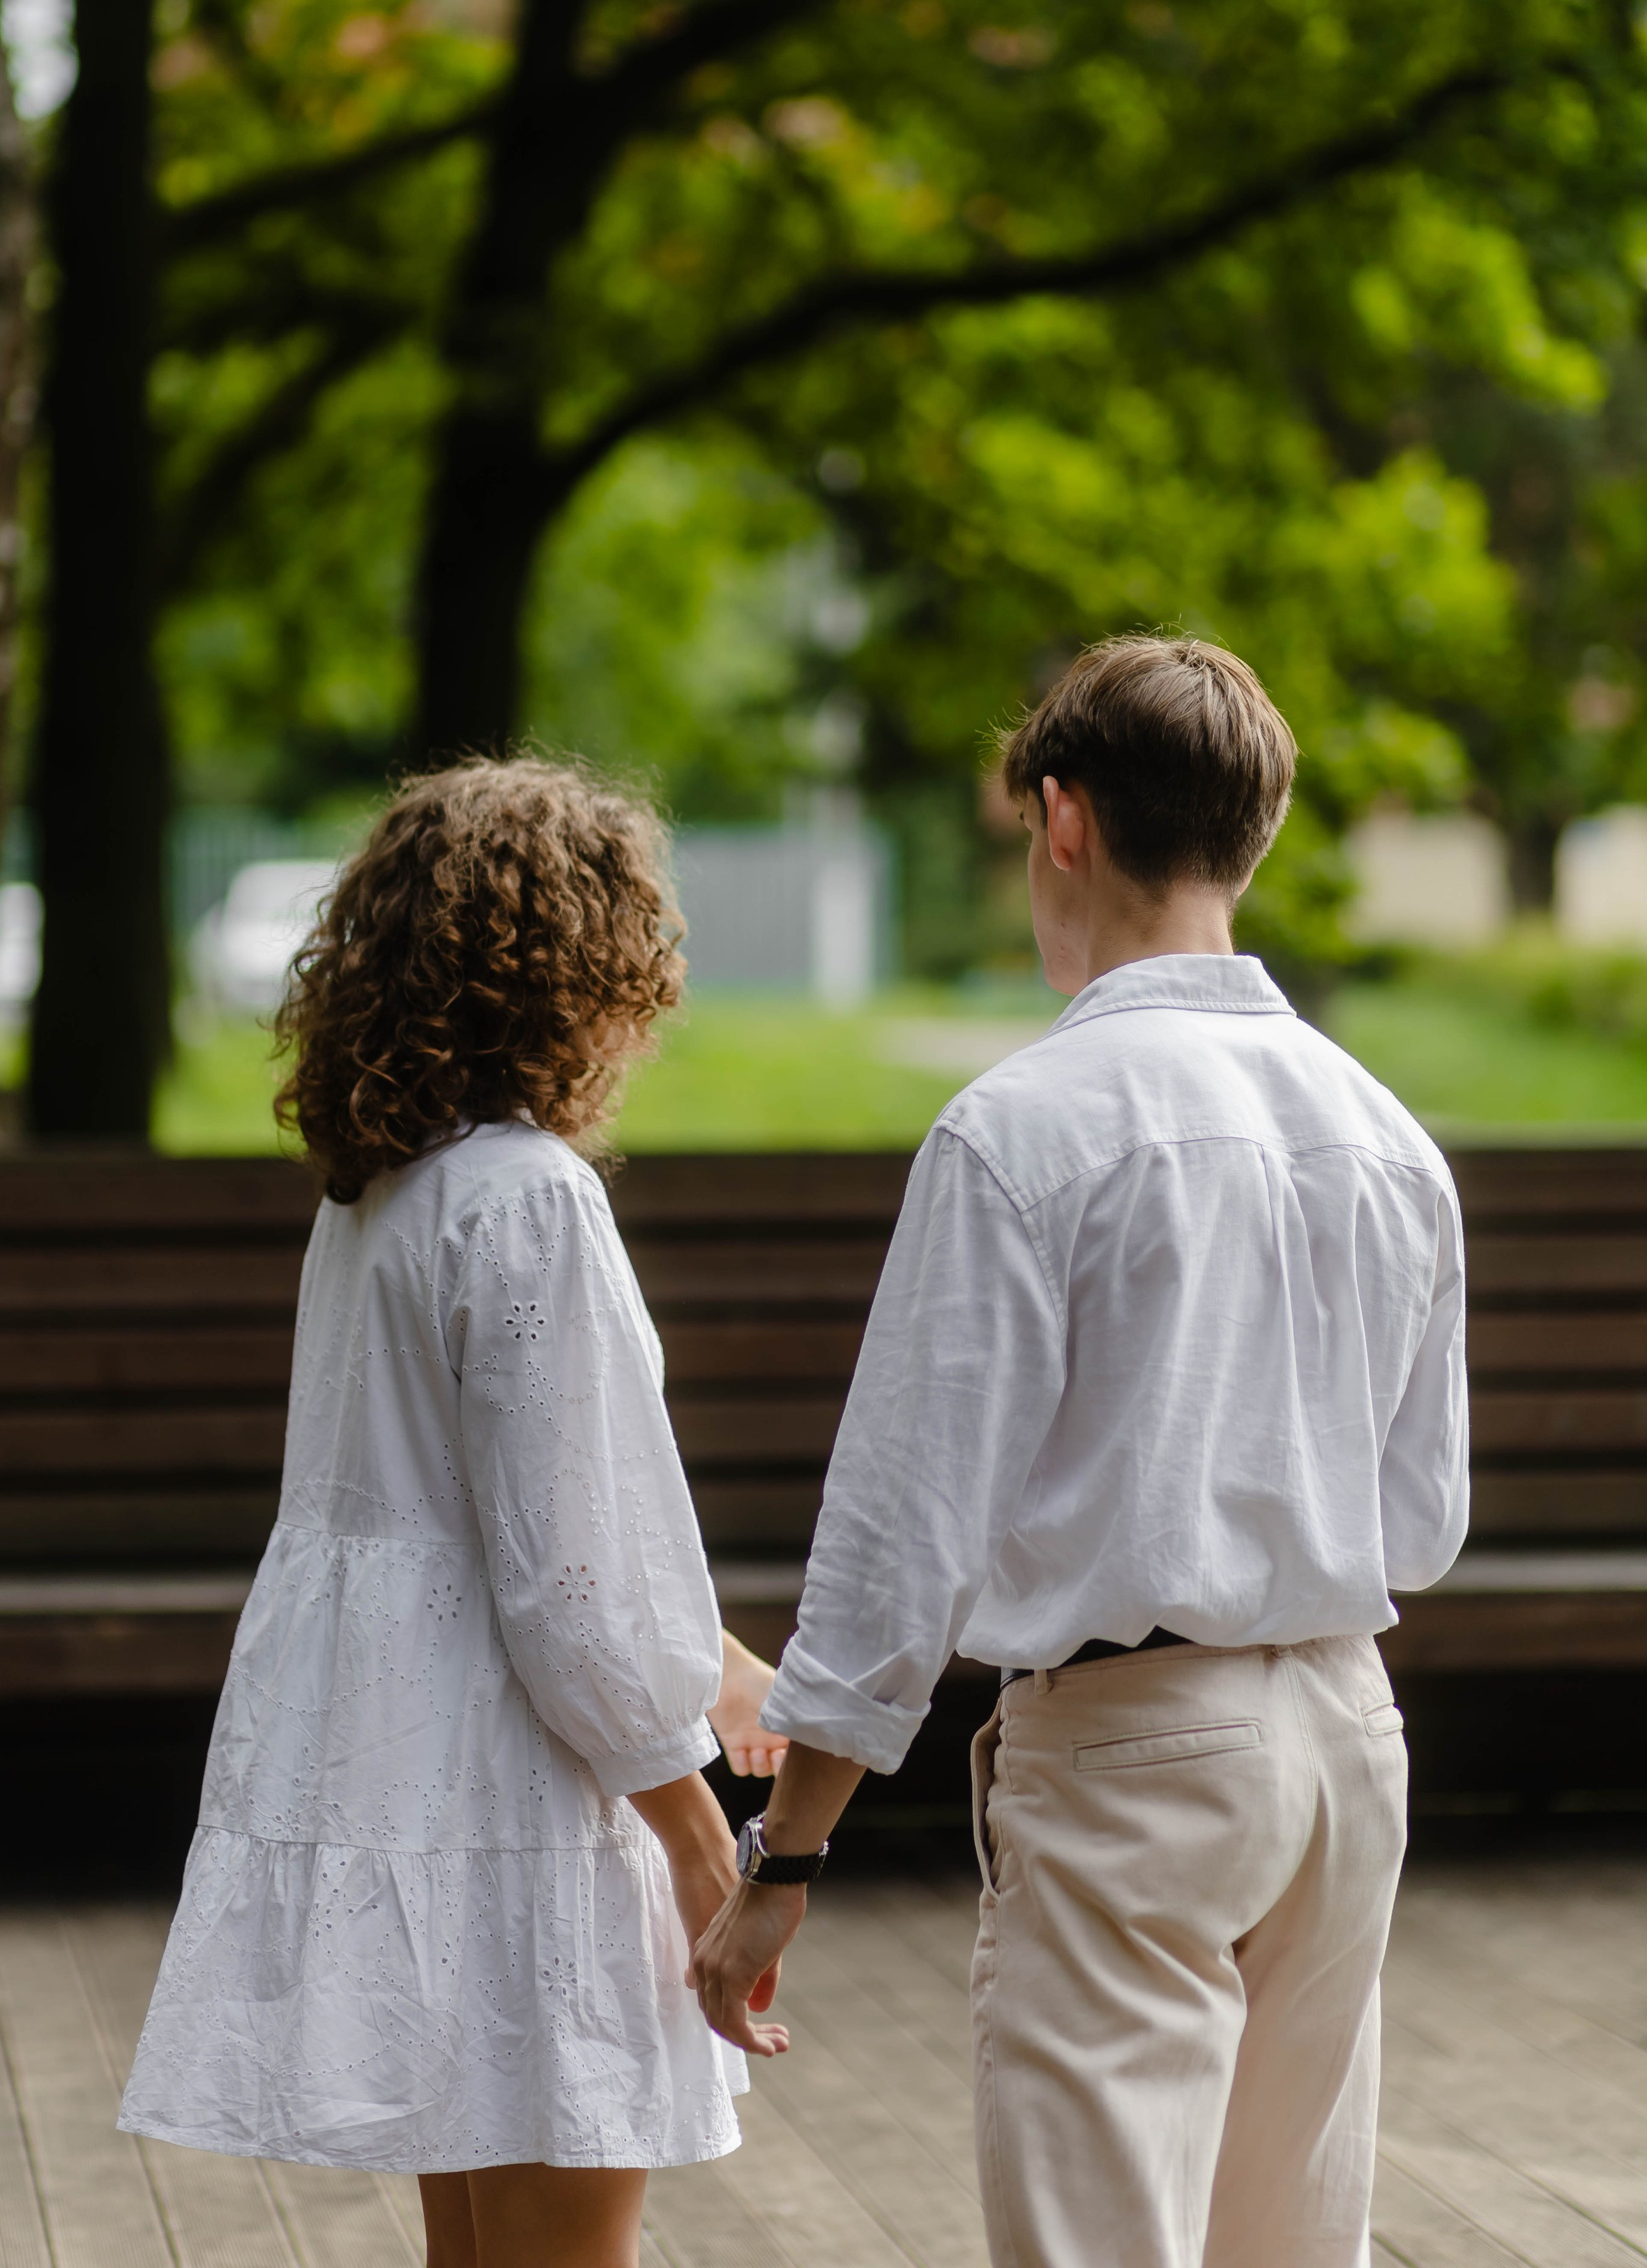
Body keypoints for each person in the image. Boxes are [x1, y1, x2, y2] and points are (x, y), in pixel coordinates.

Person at [693, 634, 1469, 2268]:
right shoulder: (1383, 1136)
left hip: (1129, 1752)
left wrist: (788, 1854)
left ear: (1060, 819)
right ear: (1249, 836)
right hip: (1341, 1731)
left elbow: (900, 1533)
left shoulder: (1021, 1129)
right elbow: (1417, 1522)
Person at [119, 756, 787, 2268]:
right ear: (579, 974)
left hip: (413, 1787)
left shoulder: (381, 1195)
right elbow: (571, 1586)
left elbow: (487, 1528)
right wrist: (696, 1834)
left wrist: (727, 1666)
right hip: (529, 1813)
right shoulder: (531, 1197)